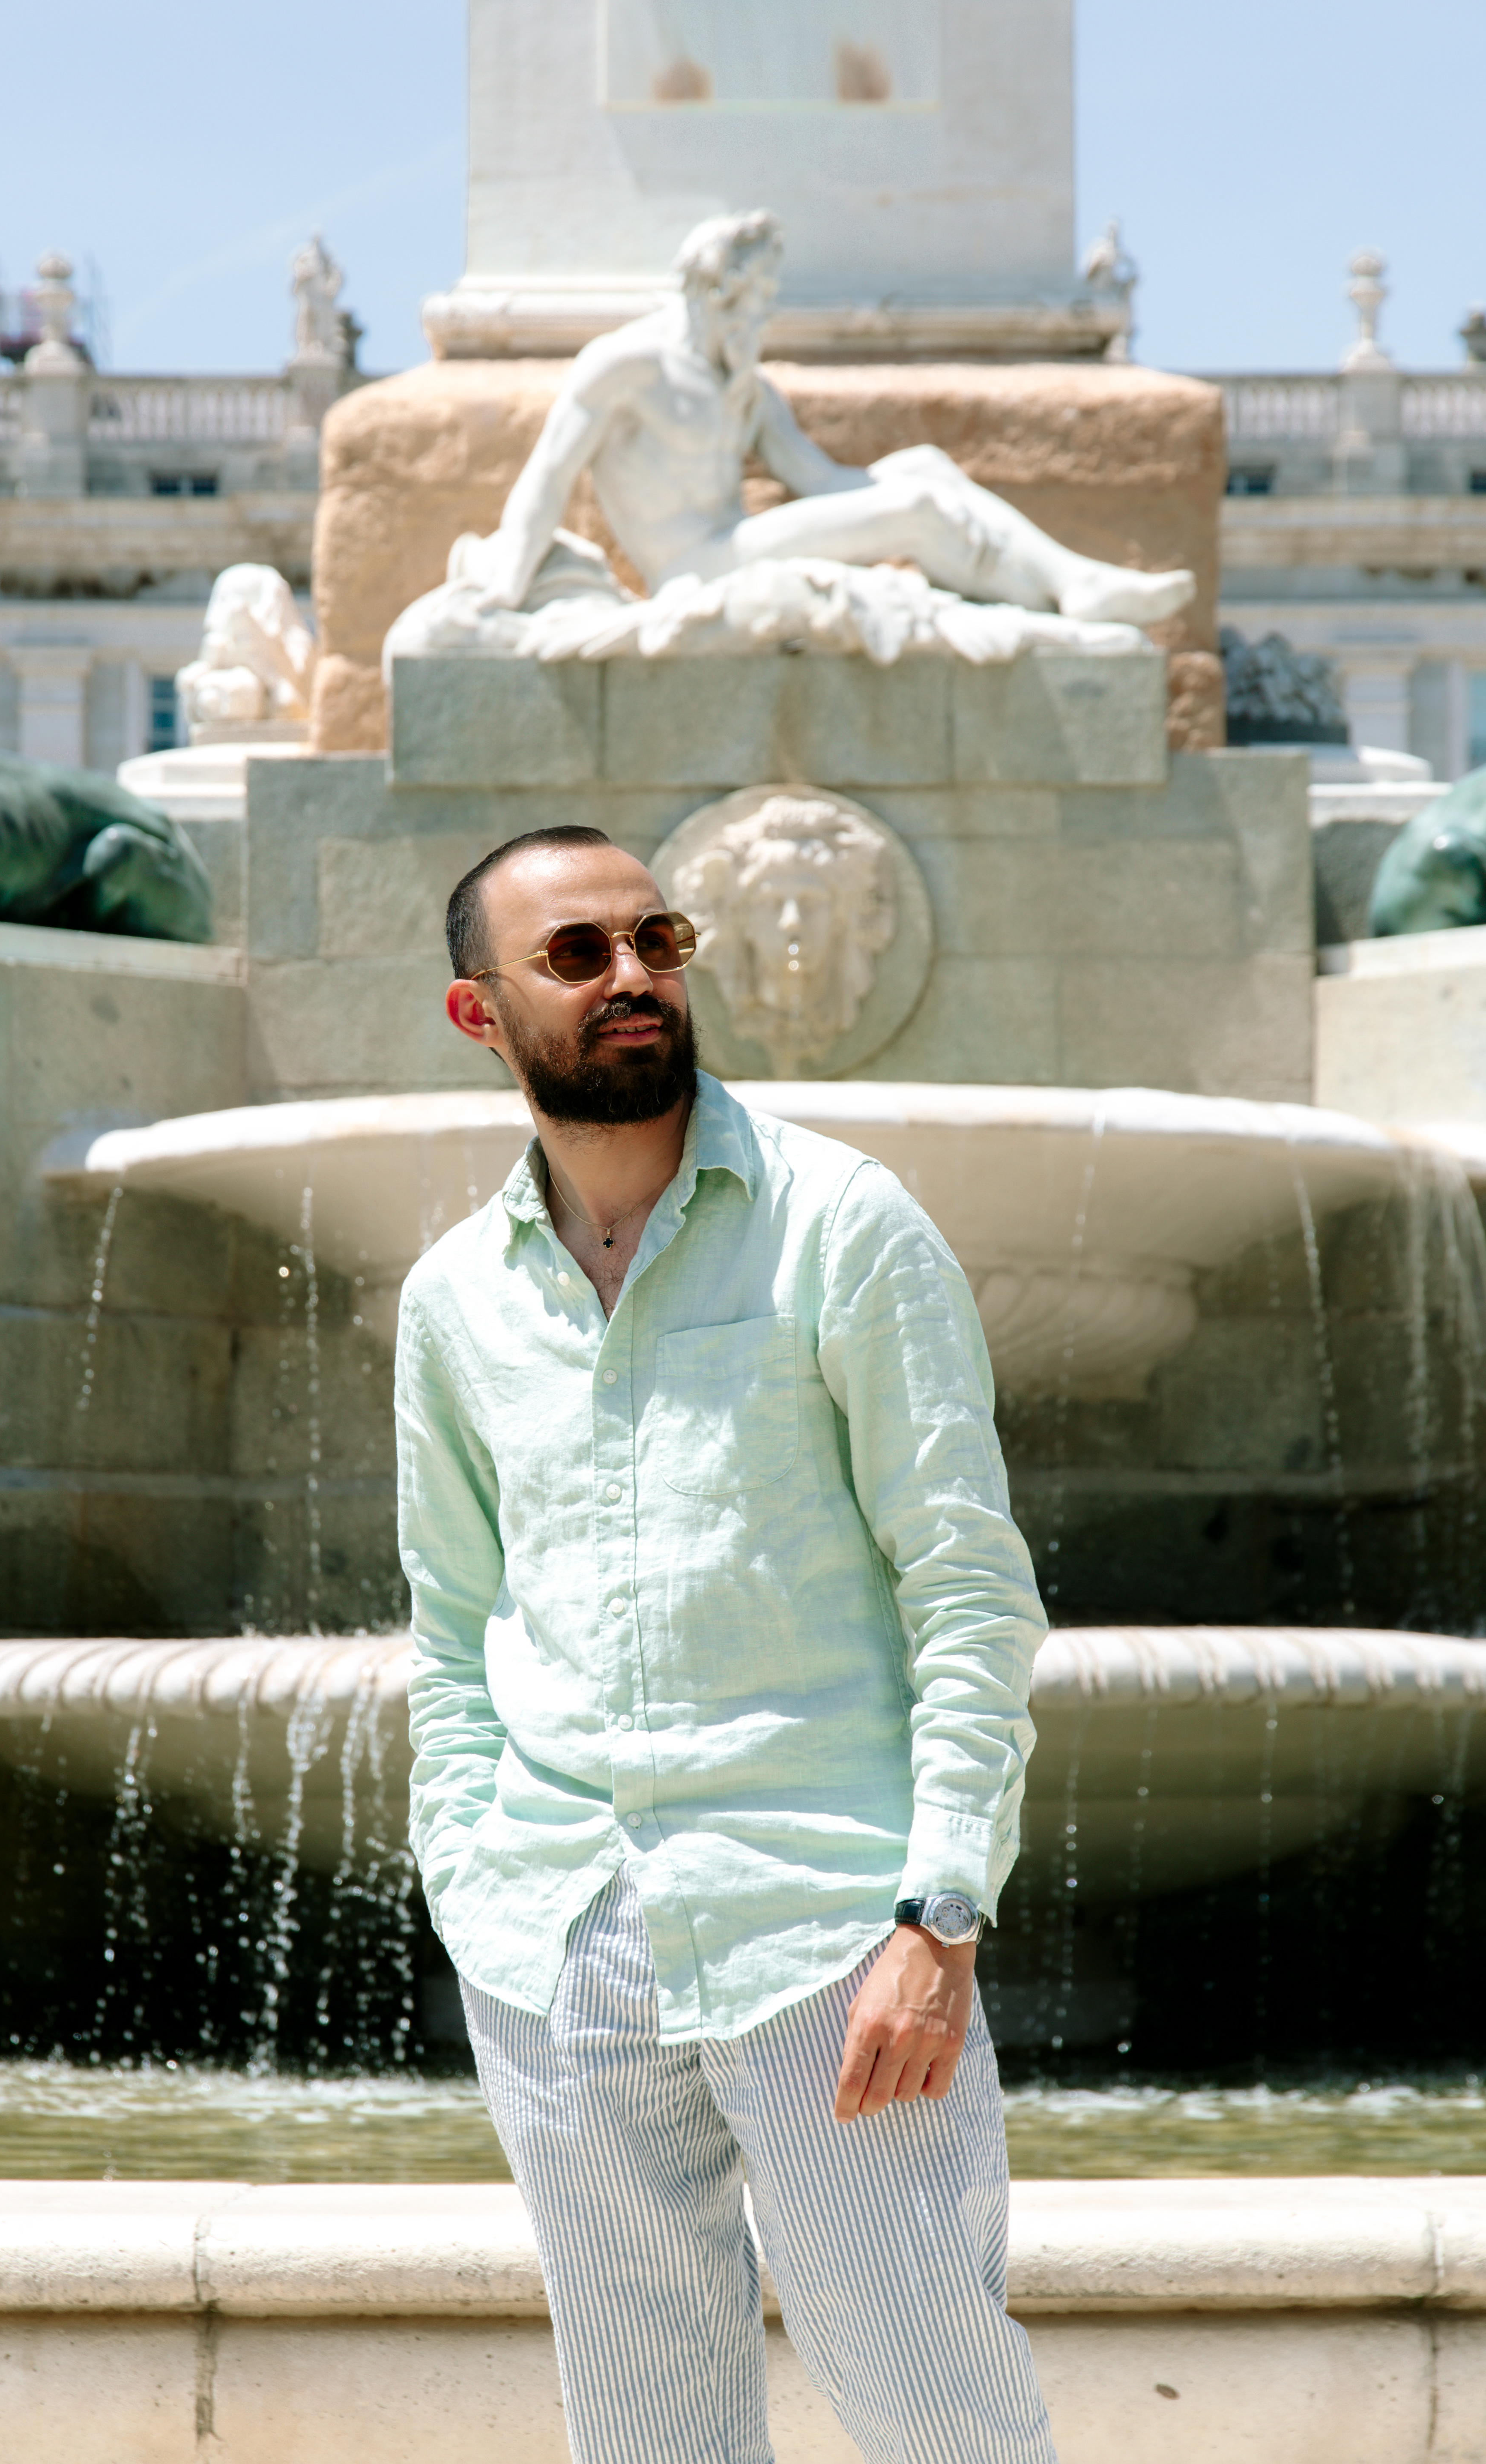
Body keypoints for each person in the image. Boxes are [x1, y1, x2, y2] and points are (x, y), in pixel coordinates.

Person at [395, 822, 1057, 2464]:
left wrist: (938, 1909)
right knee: (646, 2436)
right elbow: (451, 1630)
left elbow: (968, 1588)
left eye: (657, 938)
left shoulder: (845, 1223)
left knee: (940, 2418)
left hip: (831, 1933)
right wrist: (473, 1882)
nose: (634, 976)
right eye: (577, 954)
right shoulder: (452, 1302)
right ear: (482, 1014)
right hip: (555, 1943)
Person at [473, 206, 1193, 635]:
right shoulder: (627, 366)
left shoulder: (746, 390)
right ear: (714, 293)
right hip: (694, 566)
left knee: (921, 469)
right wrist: (504, 590)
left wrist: (915, 485)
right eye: (756, 297)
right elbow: (548, 478)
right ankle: (1060, 597)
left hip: (735, 546)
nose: (765, 313)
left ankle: (1072, 582)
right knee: (910, 505)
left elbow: (820, 480)